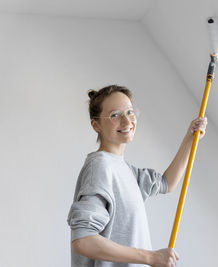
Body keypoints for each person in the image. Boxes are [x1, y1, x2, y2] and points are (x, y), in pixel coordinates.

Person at [67, 85, 207, 267]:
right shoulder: (100, 167)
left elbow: (166, 183)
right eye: (115, 115)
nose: (127, 121)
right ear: (96, 125)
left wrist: (191, 137)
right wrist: (151, 257)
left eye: (130, 112)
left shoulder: (126, 170)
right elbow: (83, 240)